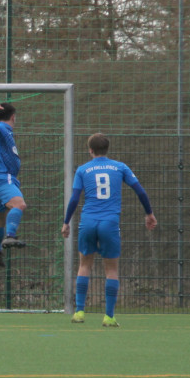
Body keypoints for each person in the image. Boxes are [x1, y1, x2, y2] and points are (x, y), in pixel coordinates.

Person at [60, 133, 157, 328]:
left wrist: (66, 222)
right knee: (111, 269)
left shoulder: (83, 169)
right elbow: (140, 191)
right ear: (107, 149)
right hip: (109, 223)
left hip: (87, 222)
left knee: (84, 265)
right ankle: (109, 316)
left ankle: (79, 312)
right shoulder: (120, 167)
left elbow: (74, 198)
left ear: (90, 150)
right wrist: (149, 214)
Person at [0, 103, 28, 266]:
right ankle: (10, 236)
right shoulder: (1, 128)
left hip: (0, 180)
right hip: (4, 179)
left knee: (0, 218)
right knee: (19, 204)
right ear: (13, 117)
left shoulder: (4, 133)